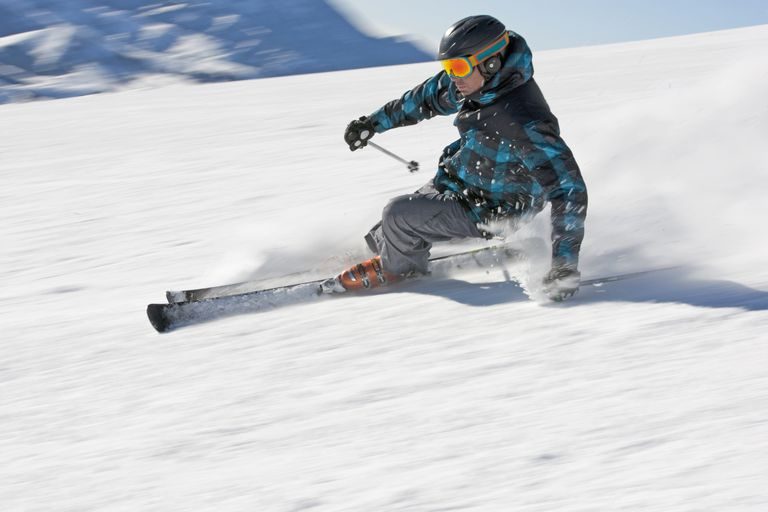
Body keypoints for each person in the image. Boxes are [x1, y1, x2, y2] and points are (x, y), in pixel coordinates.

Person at [326, 14, 588, 301]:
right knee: (384, 231)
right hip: (465, 180)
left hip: (494, 209)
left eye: (458, 67)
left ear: (491, 62)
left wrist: (564, 265)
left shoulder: (523, 118)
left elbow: (568, 188)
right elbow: (426, 98)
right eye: (448, 67)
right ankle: (393, 249)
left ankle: (399, 270)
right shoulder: (477, 81)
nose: (453, 76)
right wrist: (372, 123)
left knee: (397, 215)